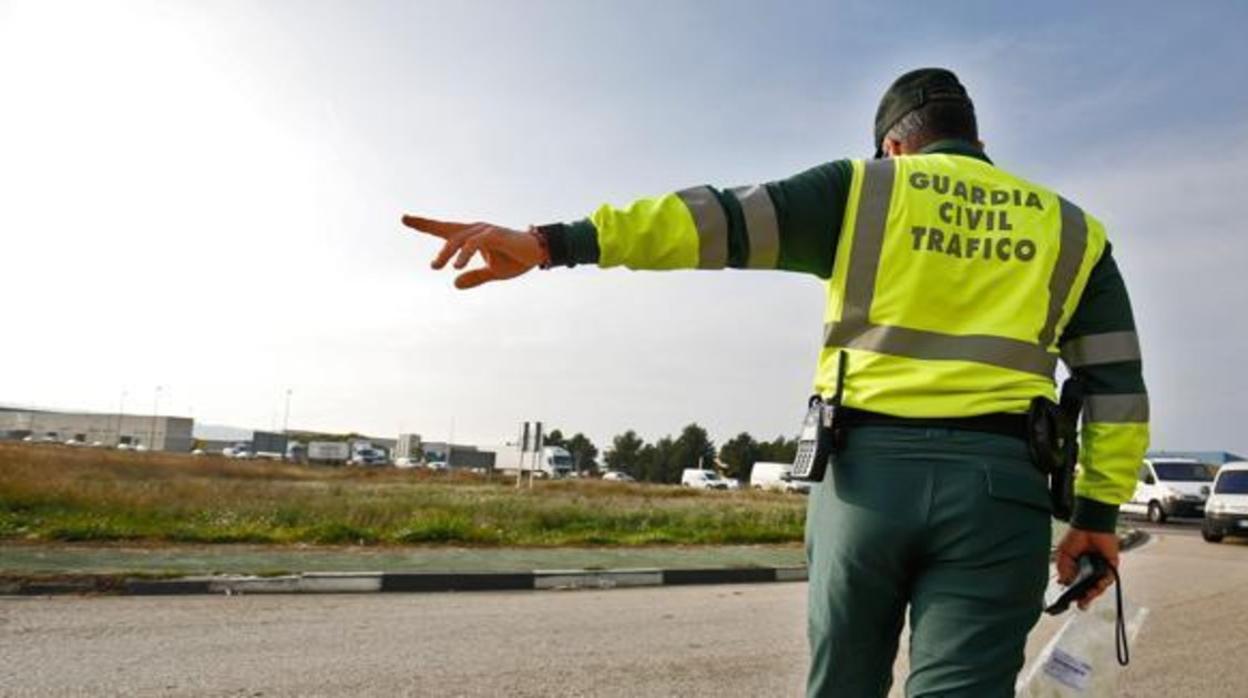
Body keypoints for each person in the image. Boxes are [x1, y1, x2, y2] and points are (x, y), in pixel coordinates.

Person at [402, 68, 1148, 697]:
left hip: (864, 484)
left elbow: (708, 221)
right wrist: (1096, 514)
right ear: (979, 142)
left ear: (894, 145)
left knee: (843, 682)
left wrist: (551, 243)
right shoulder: (1073, 230)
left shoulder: (864, 190)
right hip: (1001, 492)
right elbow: (1115, 387)